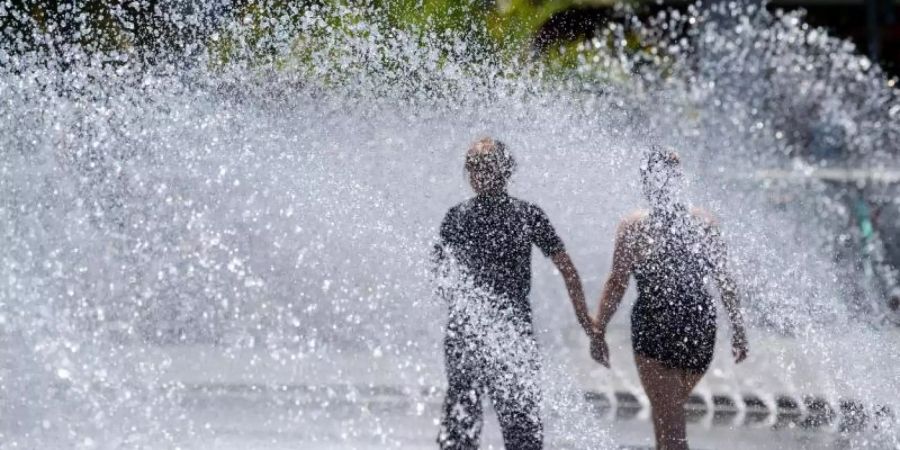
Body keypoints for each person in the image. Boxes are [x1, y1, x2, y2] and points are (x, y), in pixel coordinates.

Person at [433, 137, 594, 450]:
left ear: (504, 170)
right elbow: (441, 275)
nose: (478, 174)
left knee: (517, 425)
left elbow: (569, 270)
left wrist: (586, 321)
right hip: (472, 333)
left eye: (485, 166)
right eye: (473, 168)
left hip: (507, 332)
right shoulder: (457, 217)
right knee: (464, 423)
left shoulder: (527, 215)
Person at [590, 148, 749, 450]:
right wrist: (739, 330)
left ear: (646, 181)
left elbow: (617, 283)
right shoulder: (704, 223)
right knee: (667, 417)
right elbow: (725, 282)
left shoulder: (635, 226)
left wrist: (599, 330)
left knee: (671, 426)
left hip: (658, 332)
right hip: (698, 333)